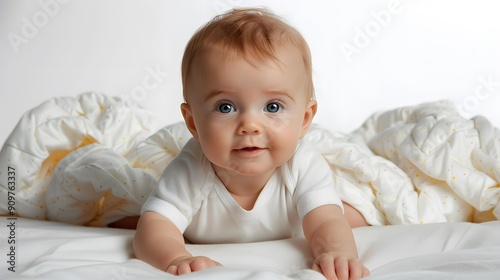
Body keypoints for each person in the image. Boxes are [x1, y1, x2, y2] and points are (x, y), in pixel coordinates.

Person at [133, 7, 369, 280]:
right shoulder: (191, 168)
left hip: (302, 217)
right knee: (131, 211)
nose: (250, 125)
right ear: (194, 123)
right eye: (225, 107)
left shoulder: (302, 163)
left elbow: (325, 220)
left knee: (354, 213)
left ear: (304, 120)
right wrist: (175, 257)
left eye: (273, 106)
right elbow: (155, 226)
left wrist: (338, 253)